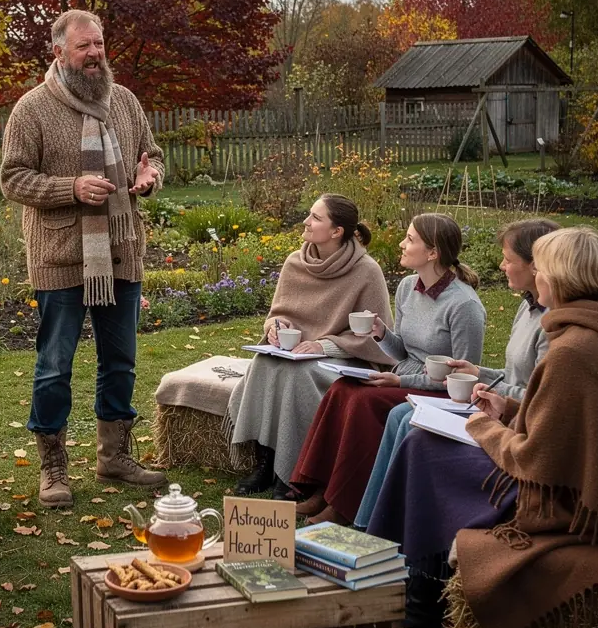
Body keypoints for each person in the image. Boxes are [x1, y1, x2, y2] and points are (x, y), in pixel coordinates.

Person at [0, 9, 166, 507]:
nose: (95, 54)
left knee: (121, 362)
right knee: (54, 365)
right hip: (61, 257)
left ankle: (114, 456)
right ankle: (53, 466)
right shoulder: (31, 110)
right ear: (58, 53)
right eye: (83, 47)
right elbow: (12, 179)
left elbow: (152, 154)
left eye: (99, 44)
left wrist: (149, 176)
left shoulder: (125, 102)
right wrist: (70, 187)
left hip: (121, 252)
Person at [452, 227, 598, 628]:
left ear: (557, 278)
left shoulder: (572, 350)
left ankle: (420, 592)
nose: (536, 277)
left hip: (579, 502)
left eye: (541, 268)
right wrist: (510, 410)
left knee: (432, 456)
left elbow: (535, 462)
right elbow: (571, 419)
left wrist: (483, 427)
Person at [356, 218, 559, 531]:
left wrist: (407, 380)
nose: (502, 266)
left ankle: (384, 526)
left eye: (507, 259)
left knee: (396, 414)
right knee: (358, 396)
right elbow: (516, 375)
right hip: (489, 401)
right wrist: (382, 335)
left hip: (507, 416)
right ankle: (363, 517)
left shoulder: (468, 305)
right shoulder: (527, 308)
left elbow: (540, 394)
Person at [290, 213, 485, 525]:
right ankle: (321, 490)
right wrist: (380, 333)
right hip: (403, 377)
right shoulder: (409, 287)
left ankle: (344, 505)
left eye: (410, 239)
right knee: (342, 389)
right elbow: (403, 351)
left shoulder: (465, 306)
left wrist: (400, 379)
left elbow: (462, 380)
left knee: (364, 403)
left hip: (435, 390)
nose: (401, 244)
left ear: (433, 253)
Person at [225, 194, 394, 498]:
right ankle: (266, 462)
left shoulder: (367, 271)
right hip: (296, 353)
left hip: (346, 359)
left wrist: (325, 346)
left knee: (297, 375)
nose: (306, 221)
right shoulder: (295, 262)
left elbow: (377, 338)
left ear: (336, 231)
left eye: (316, 217)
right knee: (265, 364)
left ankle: (293, 472)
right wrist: (276, 329)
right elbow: (278, 313)